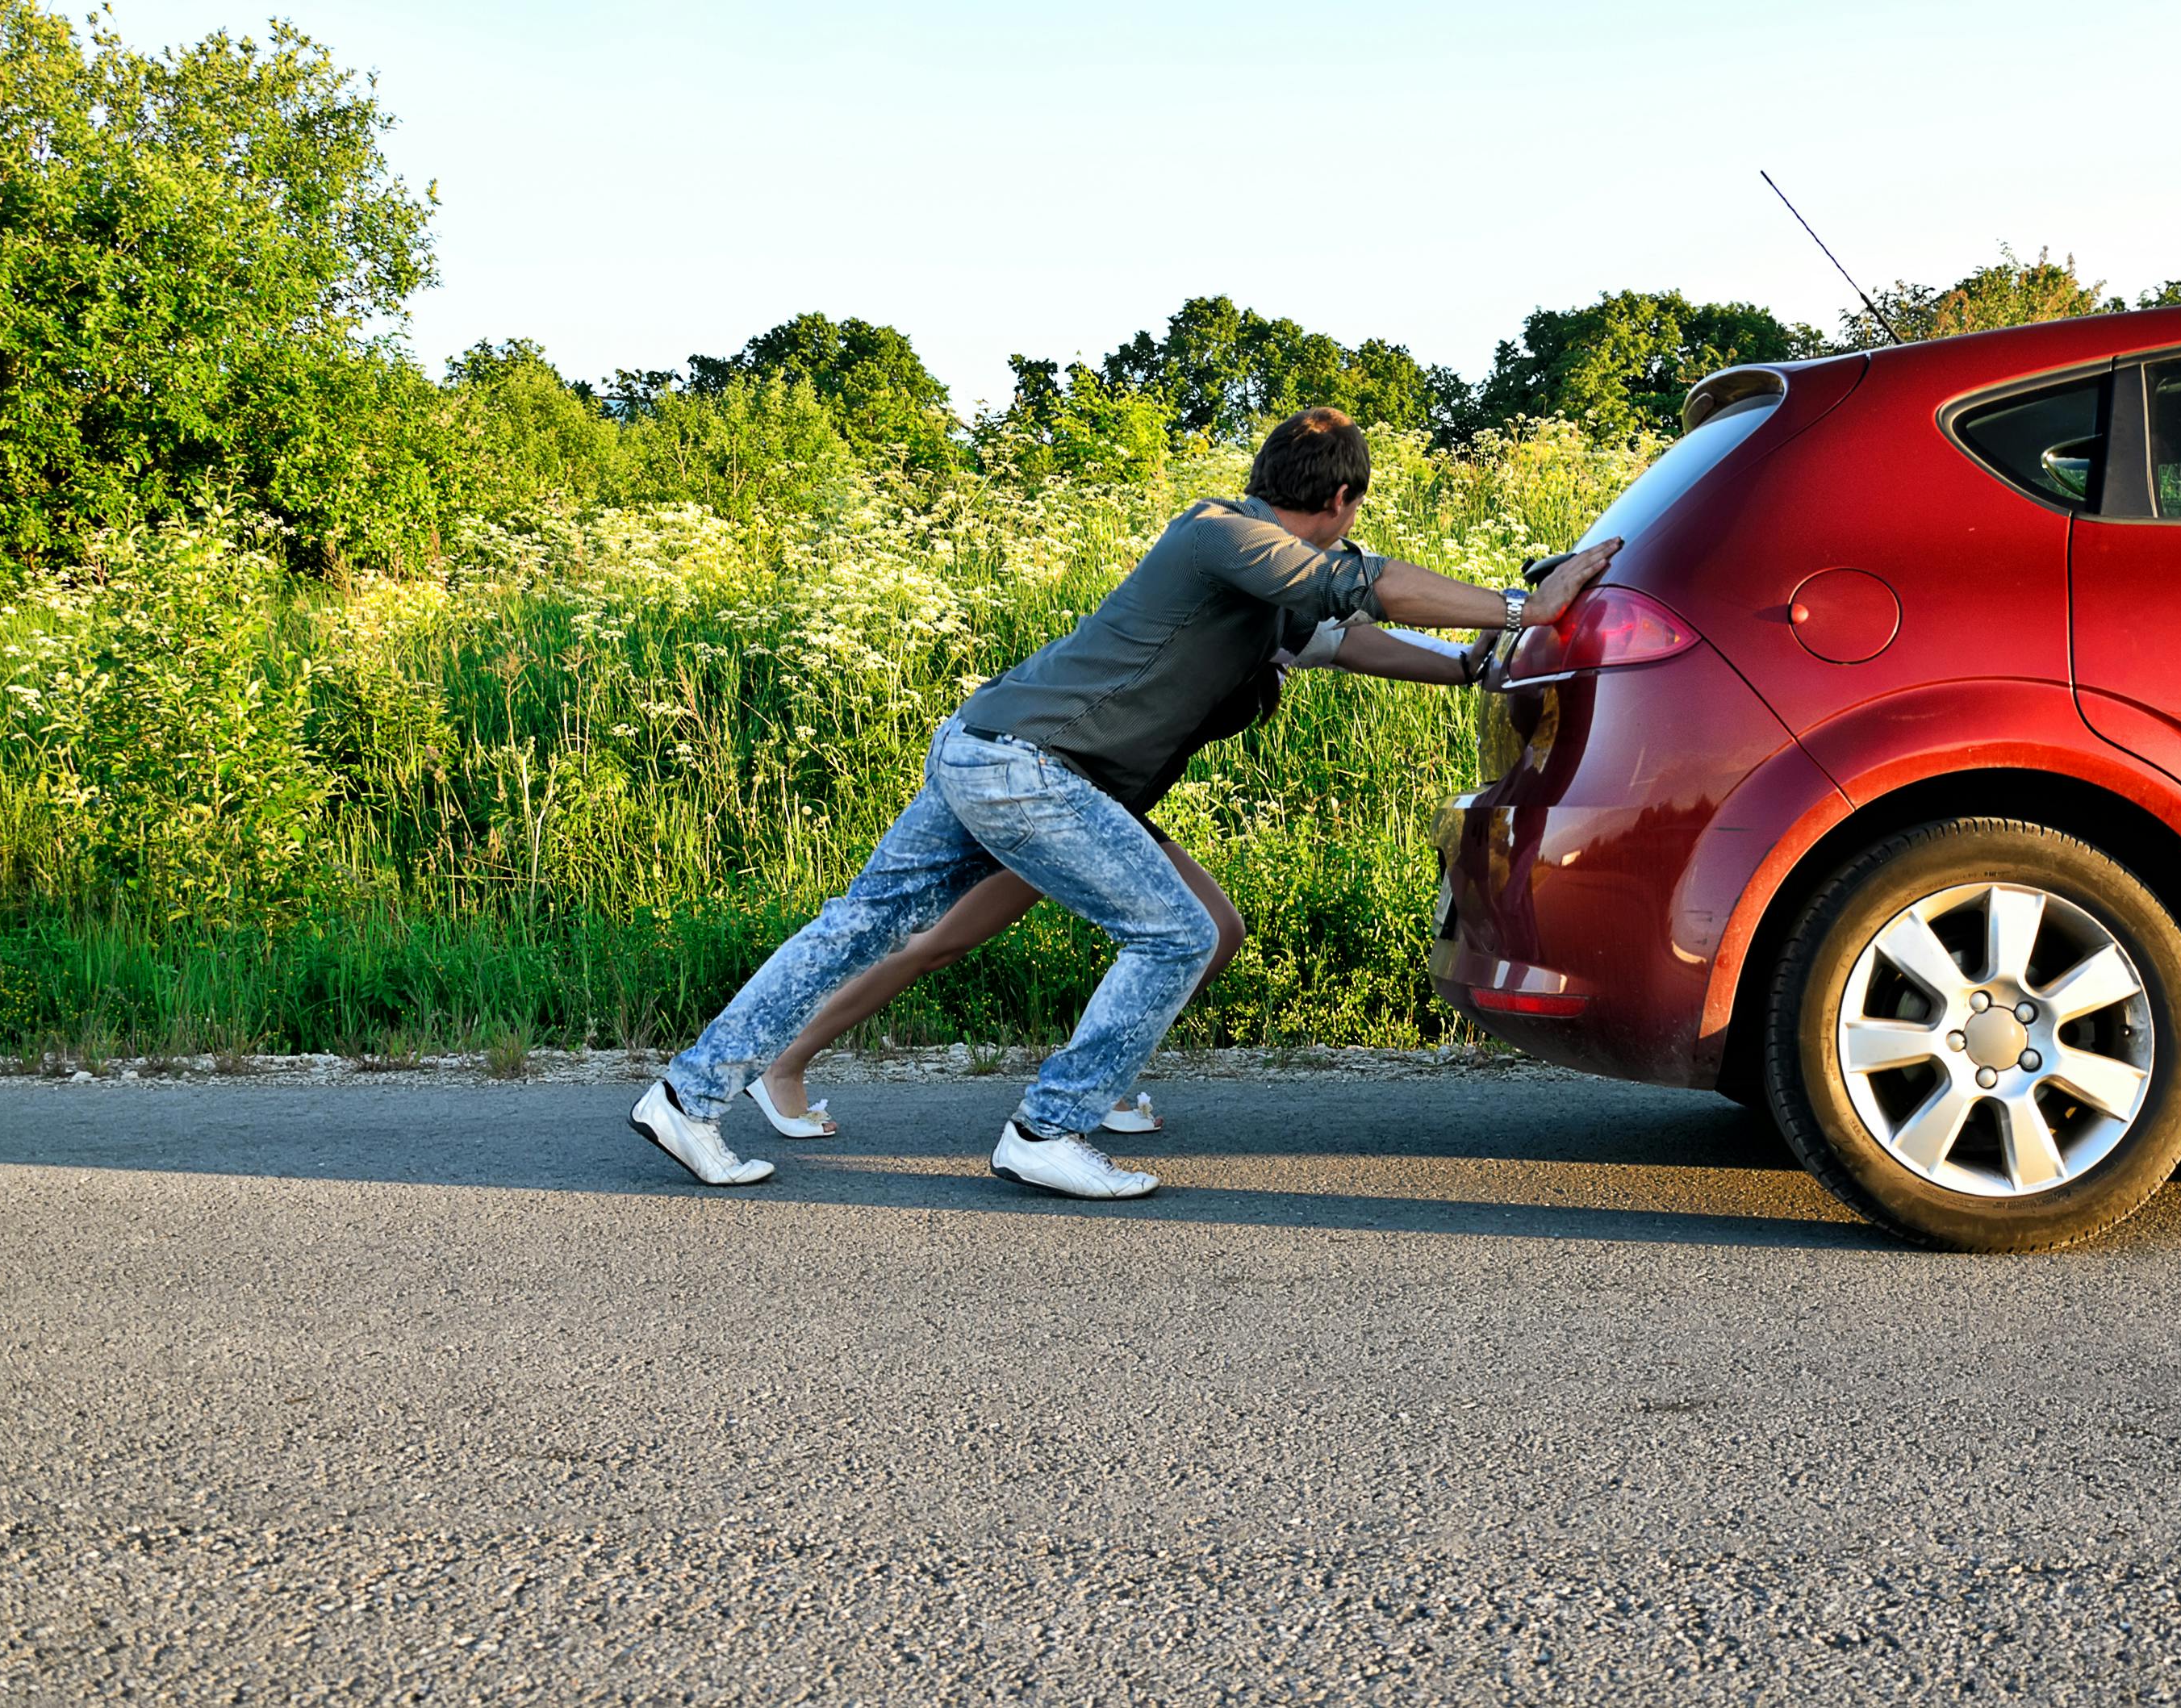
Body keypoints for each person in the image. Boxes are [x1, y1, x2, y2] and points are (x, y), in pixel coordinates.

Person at [627, 406, 1618, 1198]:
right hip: (1029, 766)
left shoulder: (1258, 579)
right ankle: (1048, 1129)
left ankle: (687, 1095)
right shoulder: (1222, 532)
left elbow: (1346, 639)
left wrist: (1467, 667)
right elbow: (1369, 590)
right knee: (1177, 932)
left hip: (994, 751)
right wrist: (1535, 603)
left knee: (862, 924)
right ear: (1346, 498)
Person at [750, 614, 1457, 1141]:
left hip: (1107, 805)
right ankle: (783, 1065)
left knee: (1214, 932)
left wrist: (1479, 650)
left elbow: (1358, 637)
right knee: (940, 941)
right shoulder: (1216, 618)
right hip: (1054, 795)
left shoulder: (1278, 616)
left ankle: (1092, 1081)